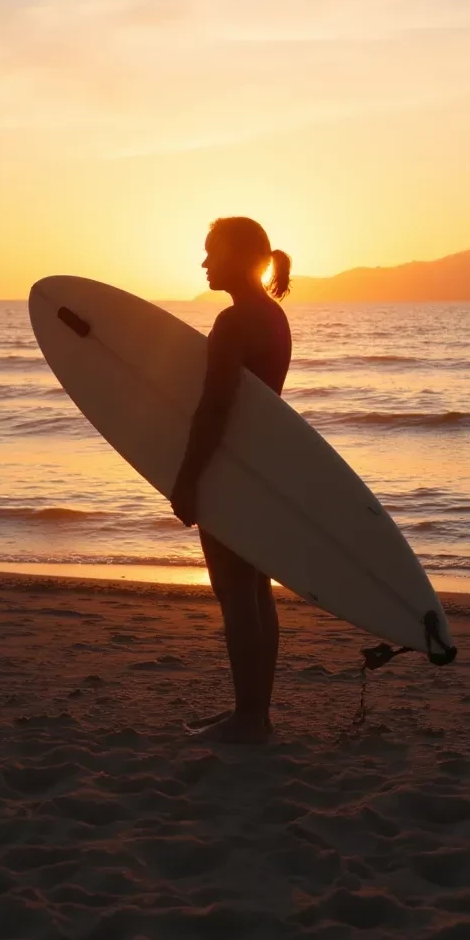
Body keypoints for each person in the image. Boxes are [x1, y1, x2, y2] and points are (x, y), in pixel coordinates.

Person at [170, 217, 292, 743]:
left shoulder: (235, 321)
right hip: (262, 468)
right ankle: (254, 714)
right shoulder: (273, 316)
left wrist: (188, 479)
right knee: (255, 591)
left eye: (210, 253)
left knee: (236, 593)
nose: (203, 264)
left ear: (239, 257)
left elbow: (215, 407)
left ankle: (248, 719)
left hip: (231, 468)